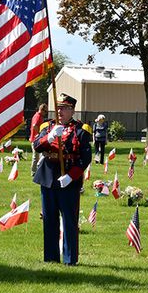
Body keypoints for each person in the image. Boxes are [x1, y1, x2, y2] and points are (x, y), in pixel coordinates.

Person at [32, 93, 92, 265]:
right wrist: (49, 137)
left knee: (69, 220)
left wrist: (71, 176)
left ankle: (69, 259)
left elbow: (85, 157)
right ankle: (50, 257)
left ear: (72, 111)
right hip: (48, 175)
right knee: (49, 218)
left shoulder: (81, 129)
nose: (60, 111)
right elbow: (37, 145)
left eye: (64, 108)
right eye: (58, 108)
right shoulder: (48, 126)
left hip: (68, 178)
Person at [30, 104, 48, 176]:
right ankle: (34, 172)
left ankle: (39, 171)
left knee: (40, 156)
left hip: (35, 139)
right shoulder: (38, 116)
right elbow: (34, 126)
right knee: (36, 157)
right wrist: (38, 134)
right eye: (45, 111)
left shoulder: (38, 115)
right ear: (42, 110)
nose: (45, 113)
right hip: (36, 140)